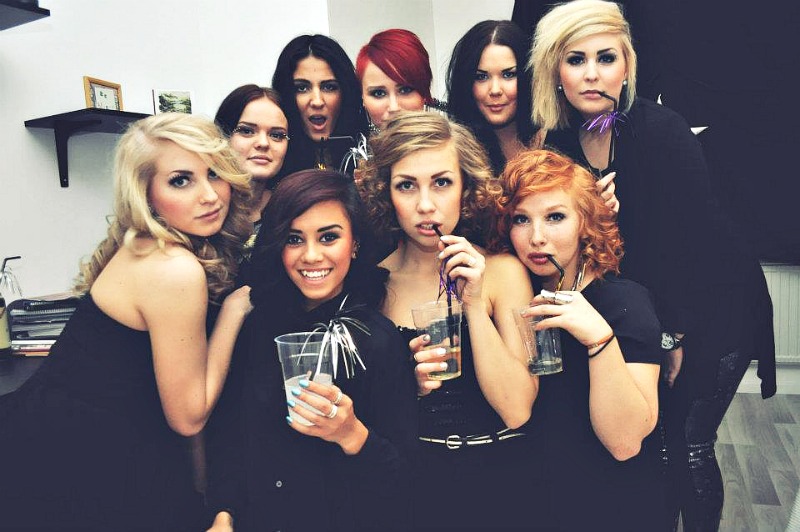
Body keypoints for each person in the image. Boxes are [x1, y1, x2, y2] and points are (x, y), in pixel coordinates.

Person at [529, 1, 776, 529]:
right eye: (575, 59)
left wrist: (672, 335)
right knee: (655, 443)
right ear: (555, 71)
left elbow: (698, 248)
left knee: (689, 444)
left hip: (717, 308)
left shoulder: (661, 130)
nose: (592, 73)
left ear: (627, 66)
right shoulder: (561, 142)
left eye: (606, 58)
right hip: (648, 310)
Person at [0, 113, 253, 531]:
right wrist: (233, 313)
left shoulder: (141, 243)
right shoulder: (174, 268)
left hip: (50, 436)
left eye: (214, 173)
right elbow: (188, 417)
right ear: (146, 194)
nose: (210, 195)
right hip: (72, 465)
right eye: (181, 181)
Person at [204, 170, 417, 532]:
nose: (312, 255)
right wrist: (224, 514)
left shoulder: (377, 340)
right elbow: (230, 436)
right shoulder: (258, 327)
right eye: (294, 239)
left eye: (329, 237)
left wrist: (351, 434)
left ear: (354, 243)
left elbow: (403, 481)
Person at [360, 111, 536, 530]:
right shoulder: (373, 284)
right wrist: (409, 387)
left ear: (466, 188)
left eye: (441, 182)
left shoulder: (503, 272)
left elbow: (518, 410)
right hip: (415, 485)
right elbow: (371, 420)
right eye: (406, 185)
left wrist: (472, 304)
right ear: (386, 193)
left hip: (502, 479)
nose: (425, 205)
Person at [491, 148, 664, 530]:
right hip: (534, 500)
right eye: (521, 219)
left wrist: (599, 339)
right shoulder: (511, 298)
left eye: (555, 217)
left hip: (611, 506)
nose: (537, 237)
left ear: (585, 222)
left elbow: (625, 443)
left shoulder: (624, 303)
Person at [446, 20, 543, 176]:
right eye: (481, 77)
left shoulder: (555, 139)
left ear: (528, 77)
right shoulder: (455, 153)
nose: (495, 90)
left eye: (508, 75)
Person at [272, 34, 369, 176]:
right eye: (302, 88)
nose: (317, 101)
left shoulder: (371, 159)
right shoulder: (269, 161)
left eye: (329, 87)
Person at [214, 84, 290, 241]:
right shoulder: (202, 206)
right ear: (223, 136)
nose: (263, 143)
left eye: (277, 135)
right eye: (246, 131)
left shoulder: (292, 209)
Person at [356, 28, 445, 131]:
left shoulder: (453, 139)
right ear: (363, 97)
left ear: (424, 92)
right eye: (378, 93)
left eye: (405, 90)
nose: (394, 108)